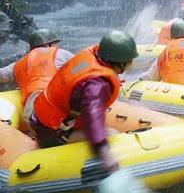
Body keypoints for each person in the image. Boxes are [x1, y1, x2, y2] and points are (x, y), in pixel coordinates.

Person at [29, 30, 138, 172]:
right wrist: (104, 152)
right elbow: (92, 116)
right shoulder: (98, 84)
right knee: (112, 134)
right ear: (122, 62)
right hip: (50, 133)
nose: (132, 62)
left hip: (37, 120)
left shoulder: (91, 57)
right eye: (131, 59)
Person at [0, 29, 73, 126]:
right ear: (49, 45)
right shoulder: (61, 54)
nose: (58, 47)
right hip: (55, 106)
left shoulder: (18, 64)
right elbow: (83, 70)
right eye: (56, 44)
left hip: (30, 113)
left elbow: (1, 75)